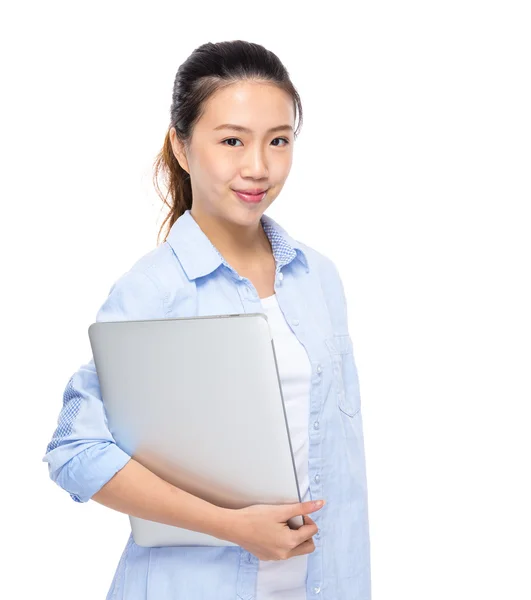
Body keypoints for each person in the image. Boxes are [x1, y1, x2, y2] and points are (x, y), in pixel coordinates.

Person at [43, 40, 372, 600]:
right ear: (181, 145)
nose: (258, 167)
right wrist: (232, 526)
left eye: (278, 141)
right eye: (231, 141)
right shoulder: (154, 290)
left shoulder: (319, 277)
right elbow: (75, 452)